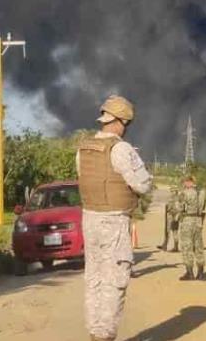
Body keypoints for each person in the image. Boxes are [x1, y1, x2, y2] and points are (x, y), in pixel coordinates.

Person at [76, 95, 153, 341]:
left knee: (94, 280)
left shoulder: (84, 149)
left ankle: (94, 333)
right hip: (114, 223)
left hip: (89, 220)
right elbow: (142, 185)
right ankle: (105, 336)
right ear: (121, 122)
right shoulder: (121, 149)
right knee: (114, 281)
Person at [176, 173, 206, 280]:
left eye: (184, 182)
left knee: (187, 246)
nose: (183, 184)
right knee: (198, 246)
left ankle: (189, 272)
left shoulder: (184, 193)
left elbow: (179, 208)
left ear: (188, 182)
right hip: (198, 220)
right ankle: (201, 273)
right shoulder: (201, 192)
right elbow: (203, 206)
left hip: (187, 220)